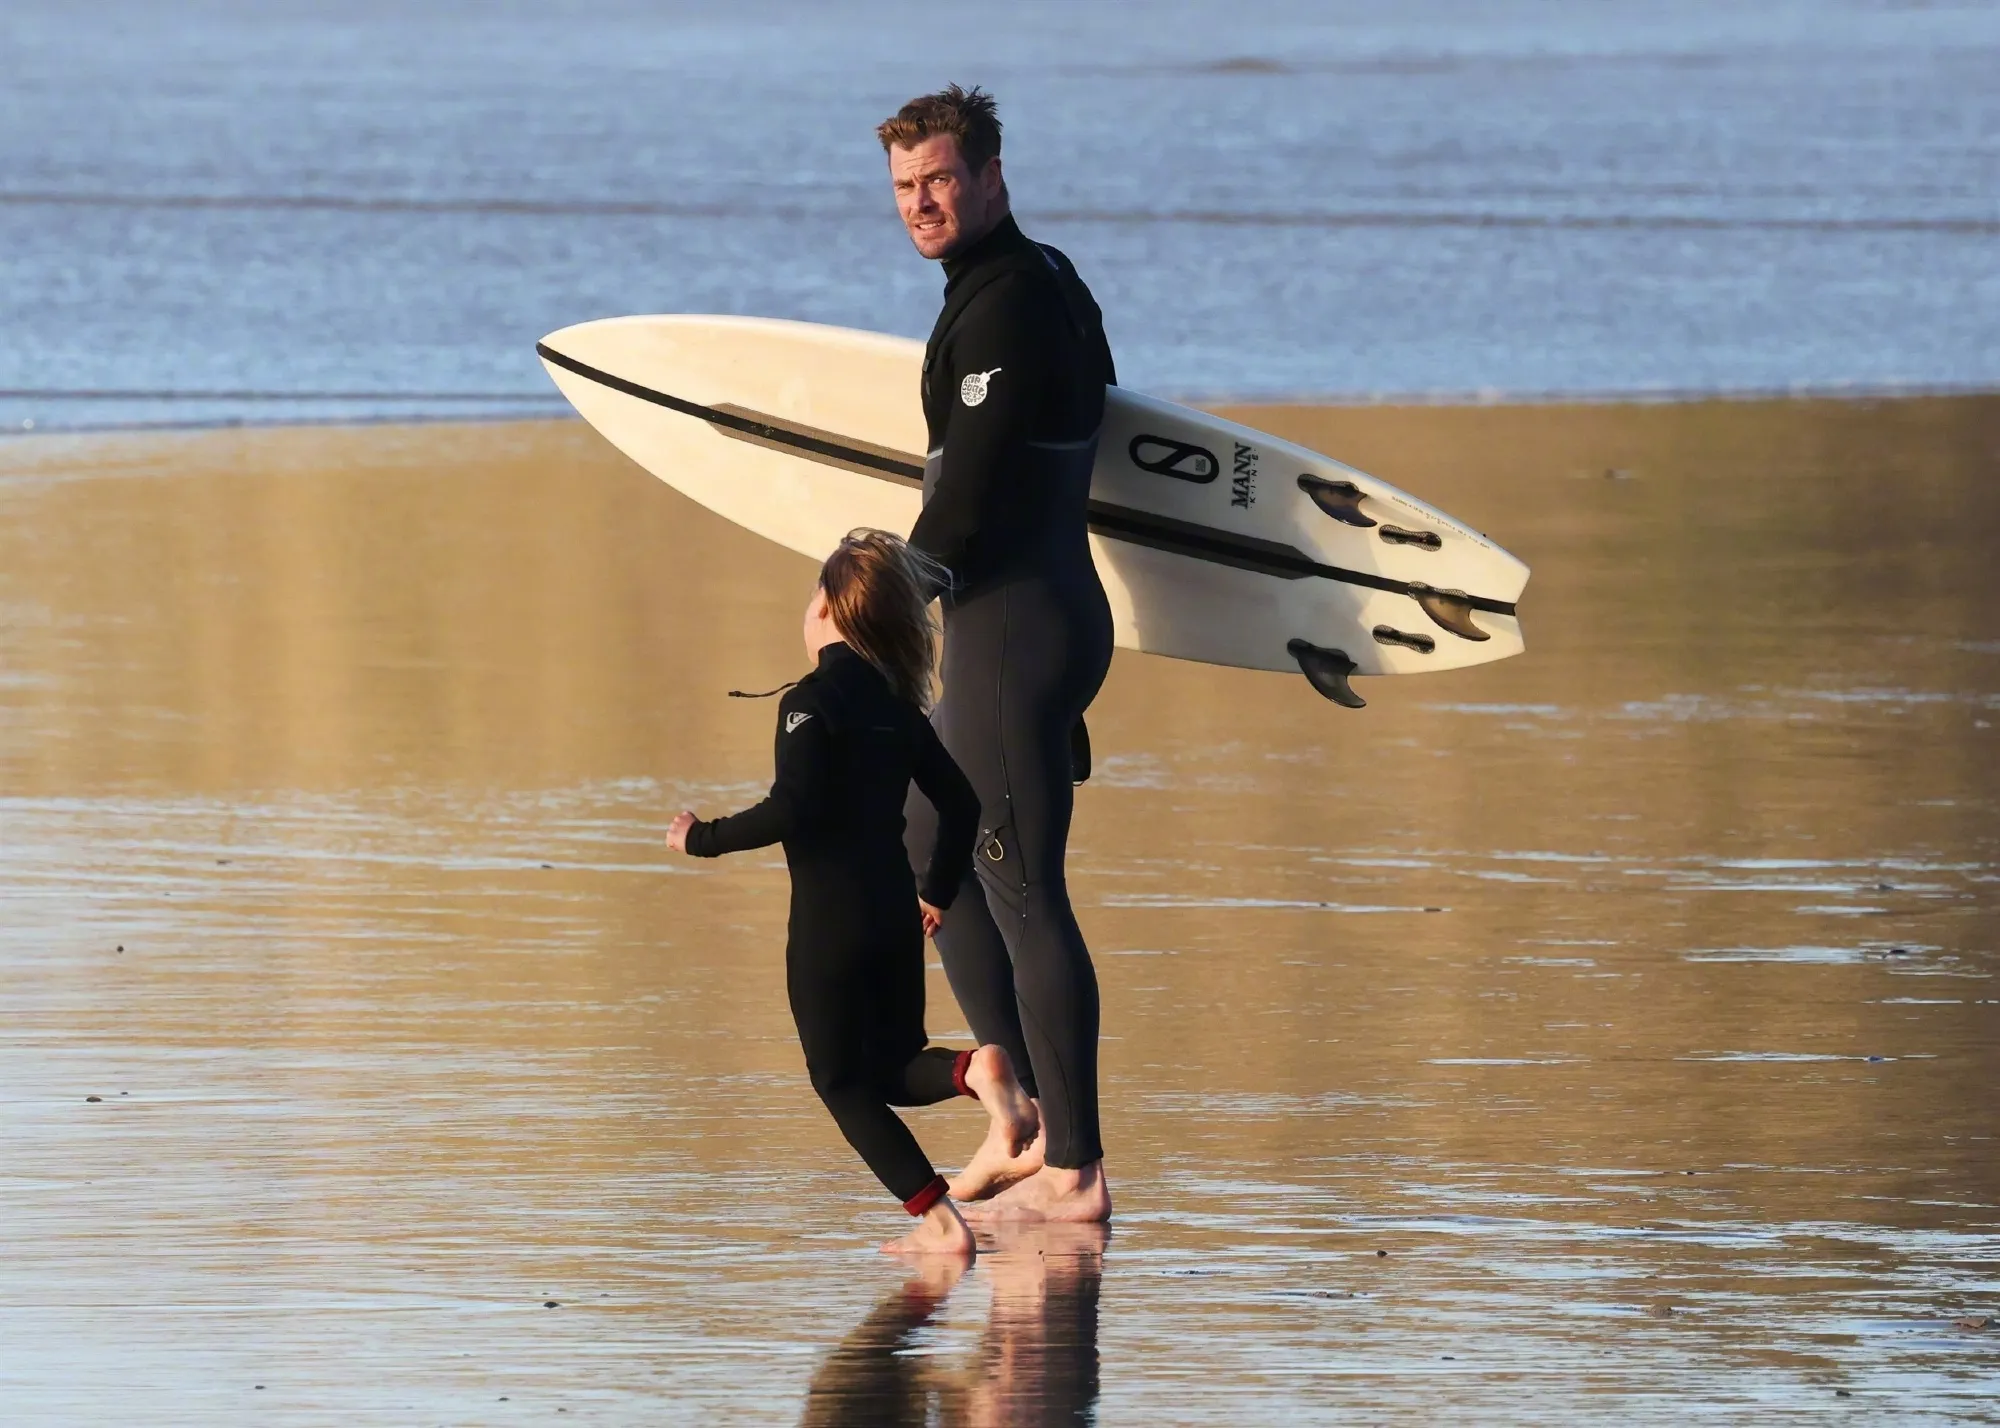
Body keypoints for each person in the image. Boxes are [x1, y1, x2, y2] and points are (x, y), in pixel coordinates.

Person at [664, 529, 1037, 1256]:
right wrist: (937, 891)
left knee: (839, 1081)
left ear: (830, 608)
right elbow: (960, 803)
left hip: (830, 923)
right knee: (893, 1068)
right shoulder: (897, 705)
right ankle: (976, 1071)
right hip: (895, 912)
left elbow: (793, 808)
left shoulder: (810, 701)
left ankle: (941, 1225)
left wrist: (699, 837)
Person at [878, 86, 1116, 1222]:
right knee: (927, 836)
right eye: (903, 187)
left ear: (990, 177)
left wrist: (886, 598)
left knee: (1023, 889)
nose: (920, 203)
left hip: (1016, 626)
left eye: (939, 179)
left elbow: (968, 488)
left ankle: (1075, 1166)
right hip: (1029, 620)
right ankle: (1014, 1106)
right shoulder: (1040, 279)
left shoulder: (1010, 301)